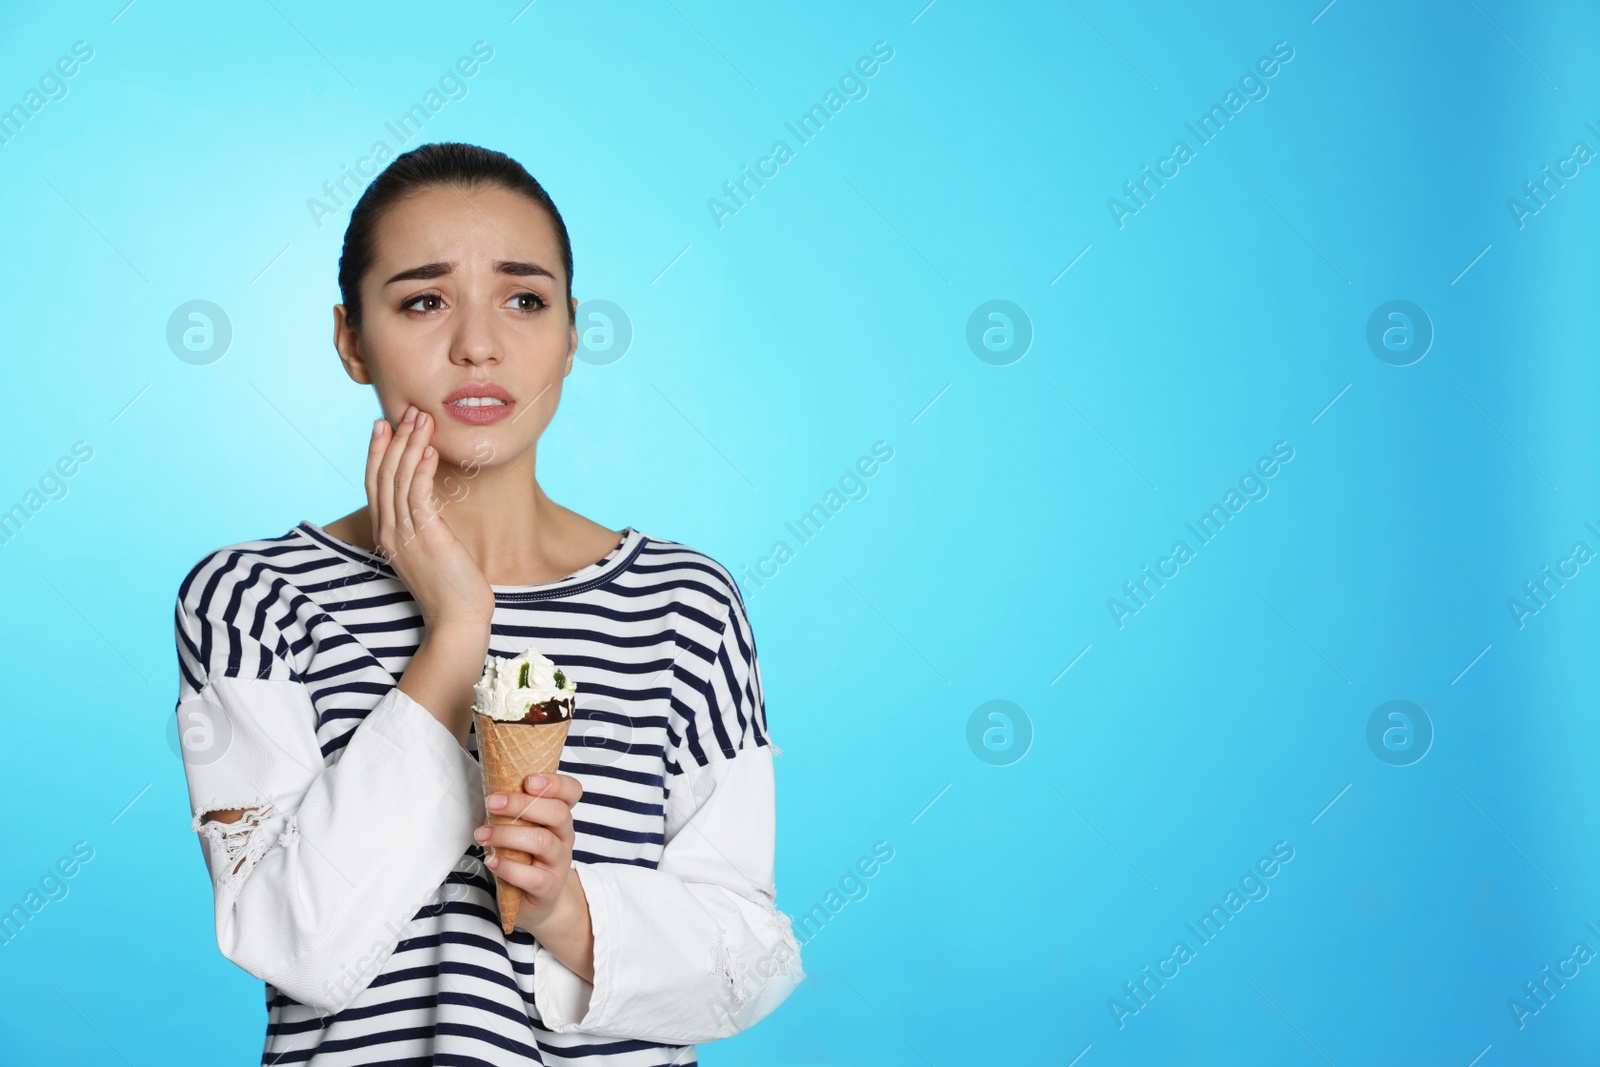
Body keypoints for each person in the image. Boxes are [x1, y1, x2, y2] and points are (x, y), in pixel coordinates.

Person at [172, 141, 804, 1065]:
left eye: (524, 299)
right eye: (424, 299)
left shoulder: (683, 606)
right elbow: (293, 942)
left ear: (572, 334)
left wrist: (569, 911)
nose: (479, 343)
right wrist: (457, 630)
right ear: (351, 338)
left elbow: (752, 958)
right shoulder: (250, 598)